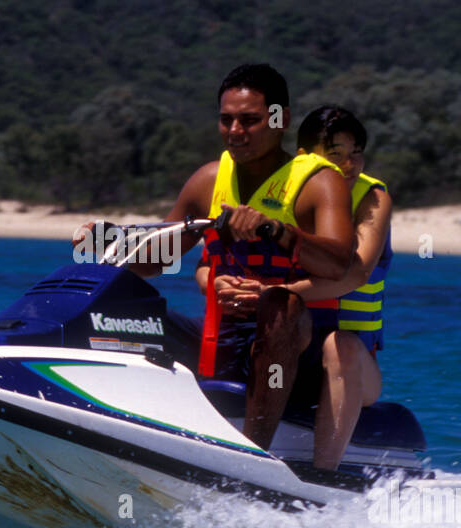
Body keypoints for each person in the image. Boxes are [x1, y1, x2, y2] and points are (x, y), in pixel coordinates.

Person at [75, 64, 354, 451]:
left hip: (296, 350)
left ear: (281, 118)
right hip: (221, 341)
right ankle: (98, 424)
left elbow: (339, 263)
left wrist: (277, 230)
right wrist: (112, 243)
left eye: (250, 120)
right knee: (118, 306)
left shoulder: (319, 183)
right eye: (226, 120)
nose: (235, 132)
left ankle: (250, 458)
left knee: (279, 305)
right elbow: (157, 259)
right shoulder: (208, 179)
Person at [288, 106, 393, 471]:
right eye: (335, 154)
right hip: (293, 345)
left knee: (340, 344)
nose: (349, 165)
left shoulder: (372, 199)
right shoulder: (282, 192)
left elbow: (356, 275)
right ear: (304, 157)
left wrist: (277, 293)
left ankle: (324, 475)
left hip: (353, 366)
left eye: (356, 153)